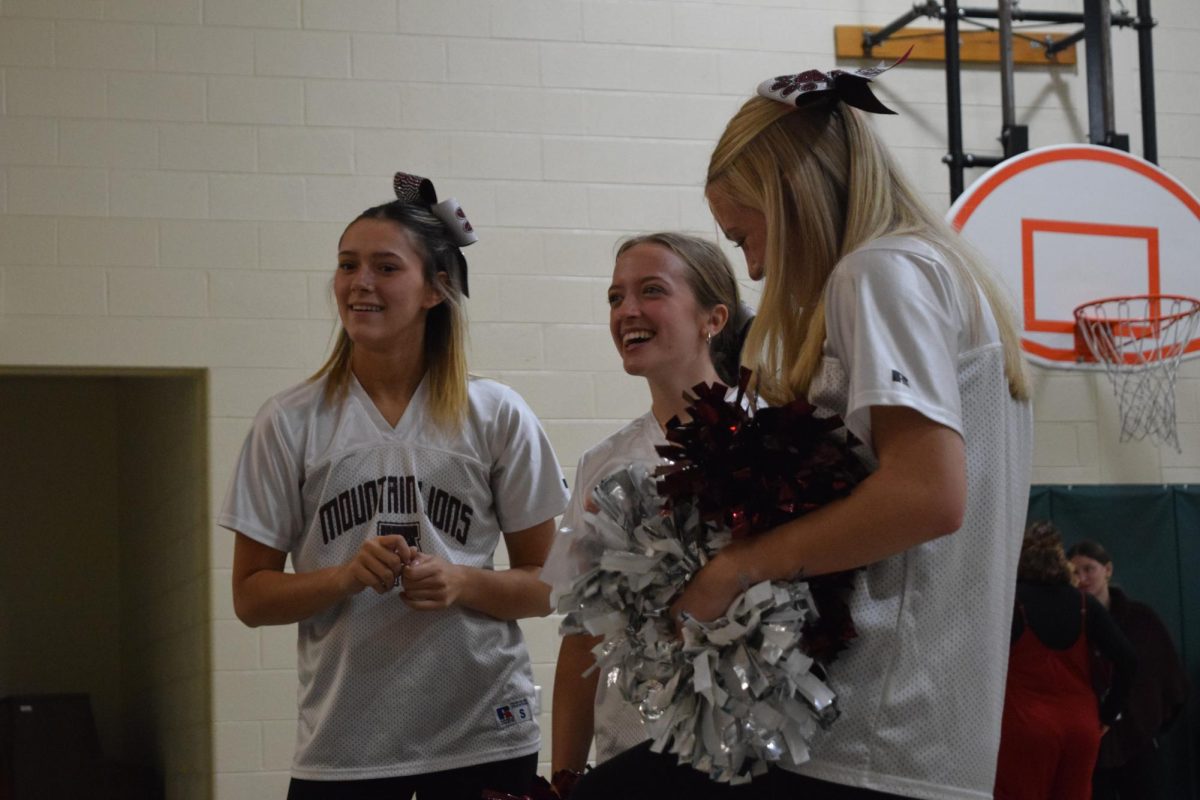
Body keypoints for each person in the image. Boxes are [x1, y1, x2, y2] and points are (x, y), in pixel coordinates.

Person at [573, 59, 1034, 800]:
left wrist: (737, 568)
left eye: (746, 236)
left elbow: (928, 496)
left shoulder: (877, 273)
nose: (753, 267)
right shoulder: (948, 273)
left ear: (790, 200)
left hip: (865, 731)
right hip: (932, 738)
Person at [218, 173, 569, 800]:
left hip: (484, 734)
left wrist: (462, 581)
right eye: (347, 265)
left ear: (437, 288)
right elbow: (250, 597)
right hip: (344, 749)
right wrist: (345, 576)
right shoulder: (289, 420)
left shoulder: (497, 413)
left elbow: (546, 584)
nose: (360, 283)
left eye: (385, 266)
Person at [546, 232, 753, 784]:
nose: (627, 311)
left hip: (754, 757)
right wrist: (564, 779)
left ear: (714, 318)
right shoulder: (603, 464)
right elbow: (581, 641)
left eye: (651, 290)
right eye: (615, 297)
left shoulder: (772, 439)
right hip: (629, 762)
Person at [993, 523, 1137, 800]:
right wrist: (1108, 714)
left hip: (1025, 725)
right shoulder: (1085, 604)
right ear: (1061, 560)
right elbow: (1128, 659)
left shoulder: (1010, 603)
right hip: (1081, 726)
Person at [1068, 539, 1189, 800]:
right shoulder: (1068, 623)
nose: (1082, 578)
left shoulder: (1141, 620)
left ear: (1107, 570)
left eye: (1089, 569)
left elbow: (1170, 679)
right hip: (1088, 742)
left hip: (1139, 741)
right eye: (1075, 572)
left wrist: (1149, 721)